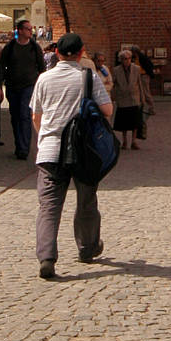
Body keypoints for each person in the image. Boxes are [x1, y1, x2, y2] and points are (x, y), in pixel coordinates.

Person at [31, 31, 114, 280]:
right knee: (86, 201)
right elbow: (107, 111)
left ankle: (46, 257)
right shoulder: (87, 77)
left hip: (49, 152)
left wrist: (46, 137)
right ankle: (87, 248)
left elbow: (36, 116)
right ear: (81, 53)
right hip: (83, 151)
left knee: (48, 206)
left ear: (56, 53)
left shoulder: (43, 79)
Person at [0, 18, 46, 159]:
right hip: (12, 86)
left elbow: (42, 68)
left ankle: (24, 149)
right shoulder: (10, 47)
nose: (31, 31)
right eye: (28, 29)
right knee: (15, 116)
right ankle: (19, 145)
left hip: (29, 86)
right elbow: (1, 67)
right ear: (20, 31)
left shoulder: (34, 48)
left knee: (24, 115)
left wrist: (41, 87)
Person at [111, 48, 143, 150]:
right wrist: (113, 97)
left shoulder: (136, 69)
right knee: (124, 123)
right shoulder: (116, 70)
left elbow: (140, 84)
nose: (127, 60)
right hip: (123, 99)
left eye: (129, 58)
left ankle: (134, 141)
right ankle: (124, 141)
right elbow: (113, 84)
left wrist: (142, 97)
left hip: (134, 97)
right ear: (121, 60)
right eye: (125, 59)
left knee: (135, 122)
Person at [131, 47, 154, 141]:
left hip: (144, 75)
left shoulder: (142, 57)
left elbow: (149, 65)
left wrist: (148, 73)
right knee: (142, 92)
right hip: (140, 75)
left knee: (146, 92)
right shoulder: (135, 58)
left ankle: (151, 108)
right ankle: (147, 106)